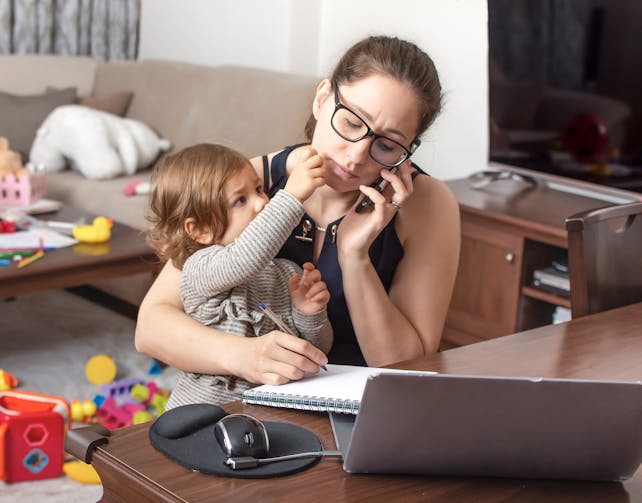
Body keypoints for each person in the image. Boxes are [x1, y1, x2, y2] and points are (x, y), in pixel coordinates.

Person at [136, 35, 460, 385]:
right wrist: (243, 355)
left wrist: (355, 257)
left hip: (363, 407)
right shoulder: (251, 184)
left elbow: (408, 369)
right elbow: (151, 326)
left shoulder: (428, 206)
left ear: (408, 149)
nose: (355, 155)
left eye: (386, 144)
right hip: (252, 398)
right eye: (351, 123)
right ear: (322, 98)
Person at [146, 143, 333, 408]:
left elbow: (317, 351)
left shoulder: (287, 273)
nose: (261, 202)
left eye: (258, 189)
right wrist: (291, 196)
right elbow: (243, 258)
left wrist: (310, 312)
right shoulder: (199, 268)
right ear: (200, 230)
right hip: (200, 416)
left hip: (264, 414)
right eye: (240, 200)